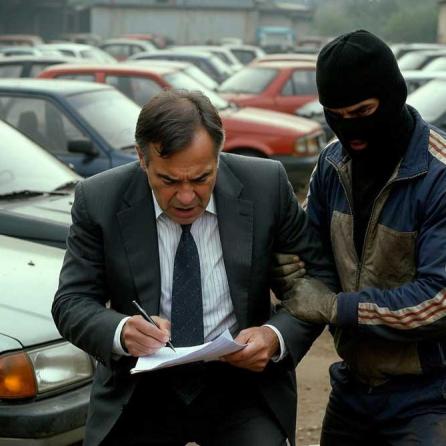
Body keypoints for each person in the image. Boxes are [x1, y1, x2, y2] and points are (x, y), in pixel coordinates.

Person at [52, 89, 338, 446]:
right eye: (169, 181)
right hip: (141, 389)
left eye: (202, 178)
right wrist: (121, 331)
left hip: (242, 385)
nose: (186, 197)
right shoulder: (99, 200)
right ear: (142, 159)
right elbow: (71, 301)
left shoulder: (265, 185)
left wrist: (274, 336)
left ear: (219, 156)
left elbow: (318, 277)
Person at [273, 29, 446, 445]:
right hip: (353, 388)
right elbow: (310, 259)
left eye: (363, 110)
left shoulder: (439, 175)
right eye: (335, 114)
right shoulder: (332, 165)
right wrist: (286, 273)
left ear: (393, 95)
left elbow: (438, 300)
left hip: (431, 396)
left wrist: (337, 307)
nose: (351, 127)